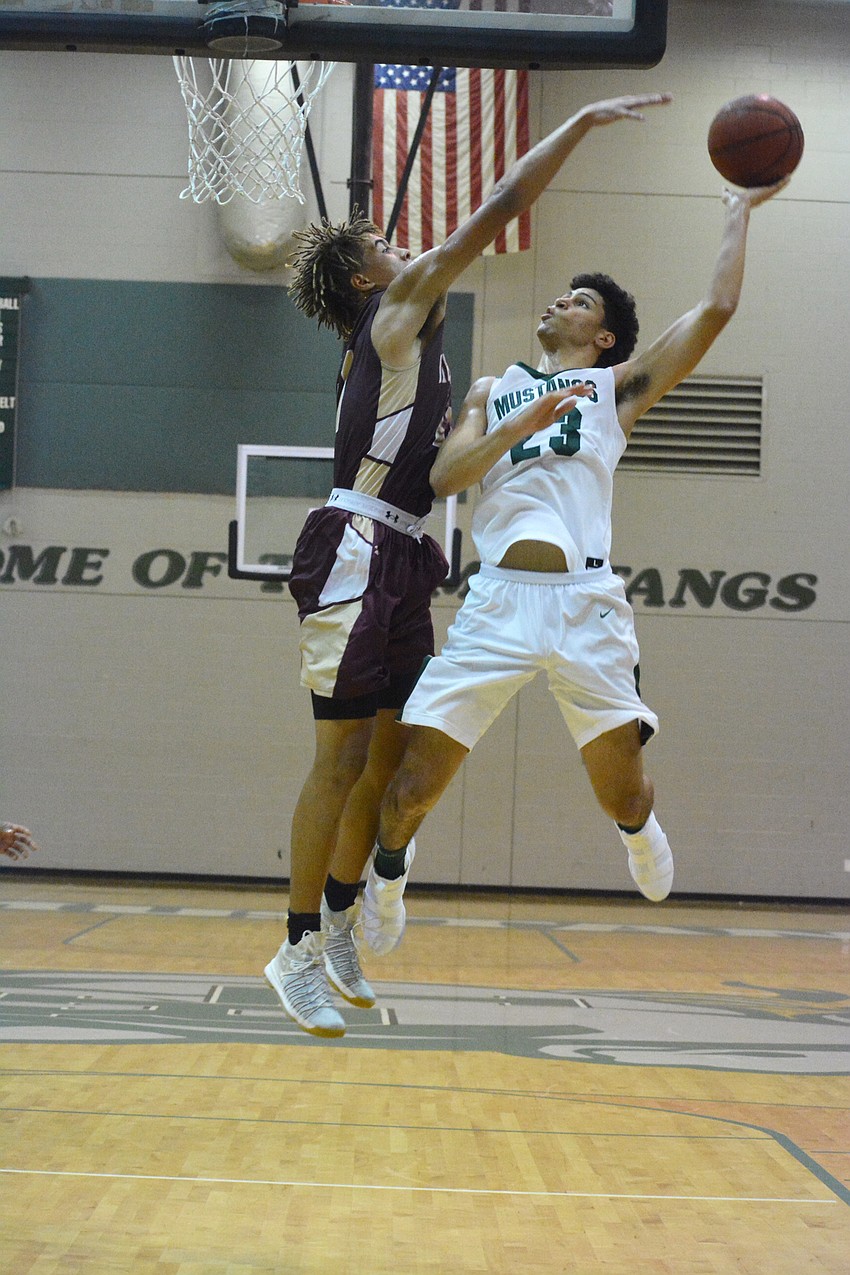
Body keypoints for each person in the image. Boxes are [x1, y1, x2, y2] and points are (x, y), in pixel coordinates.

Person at [263, 92, 673, 1038]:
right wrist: (580, 122)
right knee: (341, 758)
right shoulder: (395, 313)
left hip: (408, 550)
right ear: (367, 280)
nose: (403, 248)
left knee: (390, 756)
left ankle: (340, 920)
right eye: (385, 246)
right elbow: (500, 205)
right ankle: (293, 946)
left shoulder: (428, 339)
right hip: (357, 542)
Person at [363, 176, 789, 952]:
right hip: (498, 600)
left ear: (603, 338)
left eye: (580, 301)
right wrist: (514, 424)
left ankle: (639, 831)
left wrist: (737, 212)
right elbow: (447, 478)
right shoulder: (493, 389)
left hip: (584, 601)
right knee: (408, 792)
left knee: (622, 795)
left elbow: (716, 309)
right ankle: (388, 873)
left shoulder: (614, 389)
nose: (561, 300)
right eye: (563, 294)